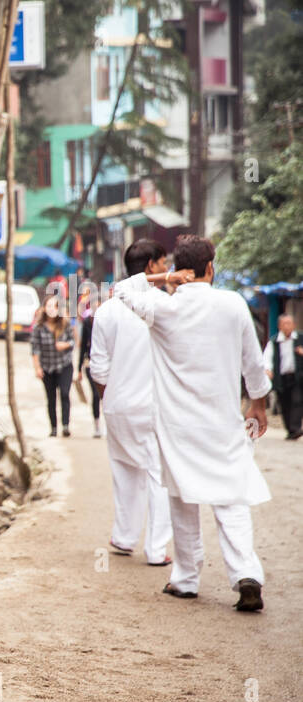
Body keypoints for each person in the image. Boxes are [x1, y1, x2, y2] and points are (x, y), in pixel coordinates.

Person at [113, 235, 271, 611]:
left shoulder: (162, 308)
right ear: (211, 268)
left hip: (177, 427)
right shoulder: (233, 304)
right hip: (222, 422)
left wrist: (165, 279)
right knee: (230, 498)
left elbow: (121, 288)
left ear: (181, 269)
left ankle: (185, 579)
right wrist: (259, 406)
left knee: (182, 499)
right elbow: (252, 363)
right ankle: (246, 574)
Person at [88, 238, 172, 566]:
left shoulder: (106, 310)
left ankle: (124, 537)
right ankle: (155, 549)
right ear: (151, 267)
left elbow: (98, 365)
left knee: (124, 471)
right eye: (163, 264)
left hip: (116, 404)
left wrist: (107, 398)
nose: (167, 270)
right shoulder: (162, 306)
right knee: (158, 475)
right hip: (151, 406)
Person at [29, 290, 75, 436]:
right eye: (49, 306)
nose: (51, 310)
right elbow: (35, 349)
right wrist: (37, 368)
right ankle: (54, 428)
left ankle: (66, 425)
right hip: (47, 367)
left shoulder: (65, 324)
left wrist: (65, 345)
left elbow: (73, 342)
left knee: (65, 393)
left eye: (54, 307)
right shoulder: (38, 328)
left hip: (64, 365)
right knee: (51, 398)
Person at [262, 313, 303, 439]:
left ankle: (295, 428)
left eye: (289, 323)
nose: (287, 326)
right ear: (279, 326)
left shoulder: (300, 339)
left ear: (294, 325)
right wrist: (268, 370)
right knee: (284, 404)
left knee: (297, 401)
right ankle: (291, 430)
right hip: (281, 378)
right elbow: (267, 358)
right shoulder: (274, 342)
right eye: (284, 324)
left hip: (298, 377)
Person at [75, 285, 102, 438]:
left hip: (108, 364)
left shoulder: (109, 320)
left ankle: (106, 425)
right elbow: (83, 345)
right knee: (95, 395)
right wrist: (78, 368)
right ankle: (97, 425)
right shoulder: (87, 322)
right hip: (90, 363)